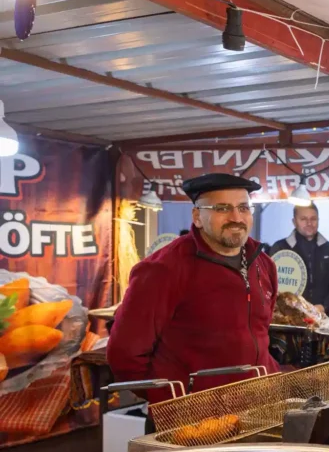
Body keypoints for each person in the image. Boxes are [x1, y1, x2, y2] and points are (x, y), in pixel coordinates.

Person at [107, 173, 279, 403]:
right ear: (197, 217)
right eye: (222, 208)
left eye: (243, 208)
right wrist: (171, 398)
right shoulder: (164, 269)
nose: (236, 217)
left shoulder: (264, 265)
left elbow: (260, 332)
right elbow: (124, 353)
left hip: (256, 405)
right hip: (192, 413)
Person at [269, 204, 329, 315]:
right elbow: (270, 284)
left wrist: (324, 306)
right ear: (294, 221)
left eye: (313, 219)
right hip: (289, 317)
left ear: (318, 220)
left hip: (324, 315)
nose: (309, 223)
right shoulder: (280, 248)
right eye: (303, 219)